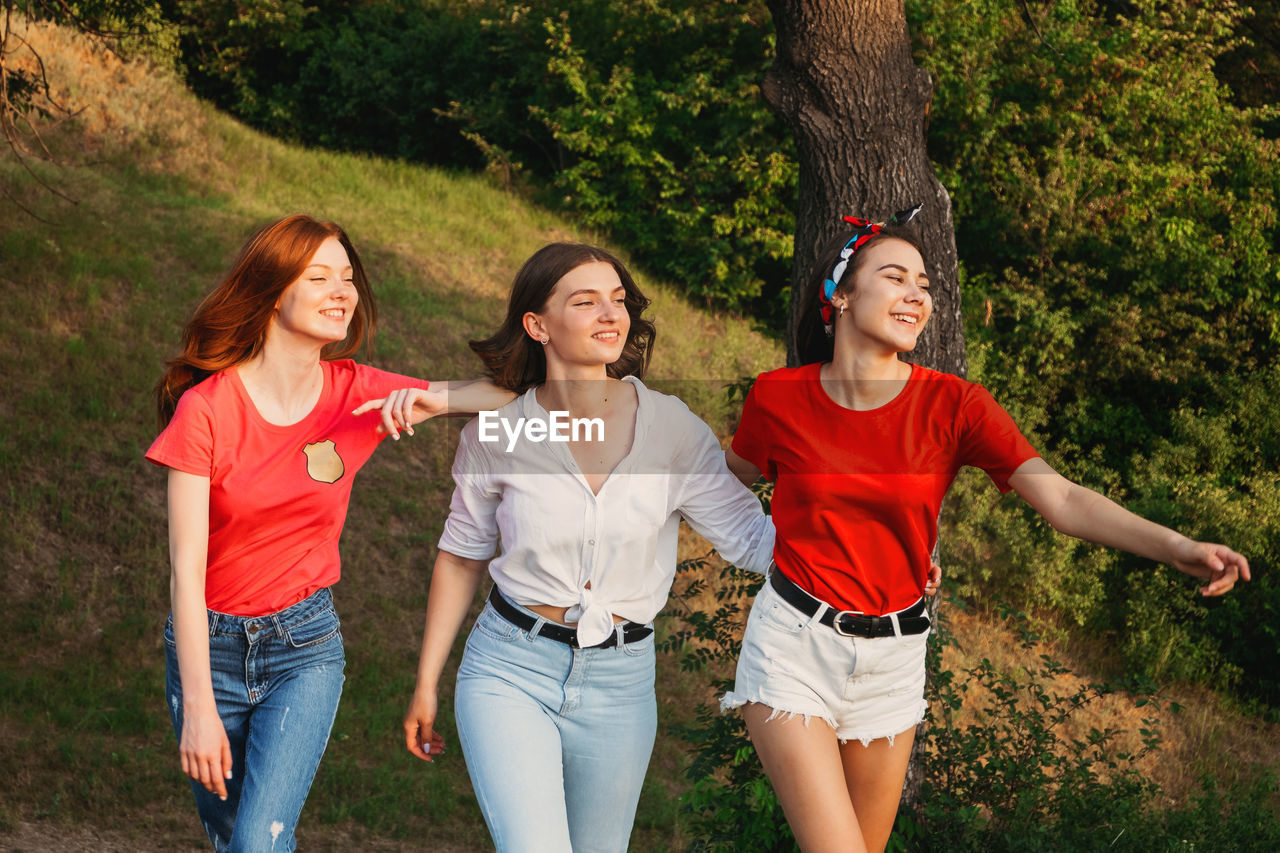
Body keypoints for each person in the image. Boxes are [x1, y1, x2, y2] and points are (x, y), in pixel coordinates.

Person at [720, 209, 1251, 853]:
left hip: (893, 658)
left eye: (924, 283)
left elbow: (1061, 499)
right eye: (895, 276)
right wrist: (775, 548)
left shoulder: (956, 406)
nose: (917, 293)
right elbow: (722, 485)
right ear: (840, 294)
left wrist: (1177, 546)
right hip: (794, 647)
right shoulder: (779, 397)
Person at [146, 214, 512, 853]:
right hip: (210, 647)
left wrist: (427, 400)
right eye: (319, 277)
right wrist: (199, 706)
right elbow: (186, 566)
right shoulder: (206, 409)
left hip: (304, 645)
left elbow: (509, 399)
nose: (343, 291)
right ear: (272, 291)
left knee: (260, 842)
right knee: (232, 837)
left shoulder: (358, 394)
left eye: (348, 277)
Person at [398, 242, 776, 853]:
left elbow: (752, 537)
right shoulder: (496, 432)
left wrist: (883, 559)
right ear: (537, 325)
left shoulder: (671, 428)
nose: (611, 314)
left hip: (622, 681)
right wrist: (426, 682)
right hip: (509, 670)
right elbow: (462, 553)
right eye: (586, 301)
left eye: (619, 301)